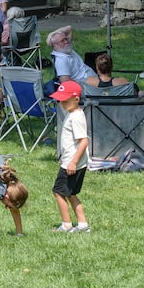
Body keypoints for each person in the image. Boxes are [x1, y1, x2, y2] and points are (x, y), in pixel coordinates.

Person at [50, 80, 90, 233]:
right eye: (60, 100)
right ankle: (82, 224)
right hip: (74, 162)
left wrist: (72, 162)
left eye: (65, 100)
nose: (62, 103)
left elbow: (84, 141)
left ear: (76, 99)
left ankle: (66, 224)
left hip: (72, 164)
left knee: (58, 192)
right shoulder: (73, 113)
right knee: (71, 193)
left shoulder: (76, 117)